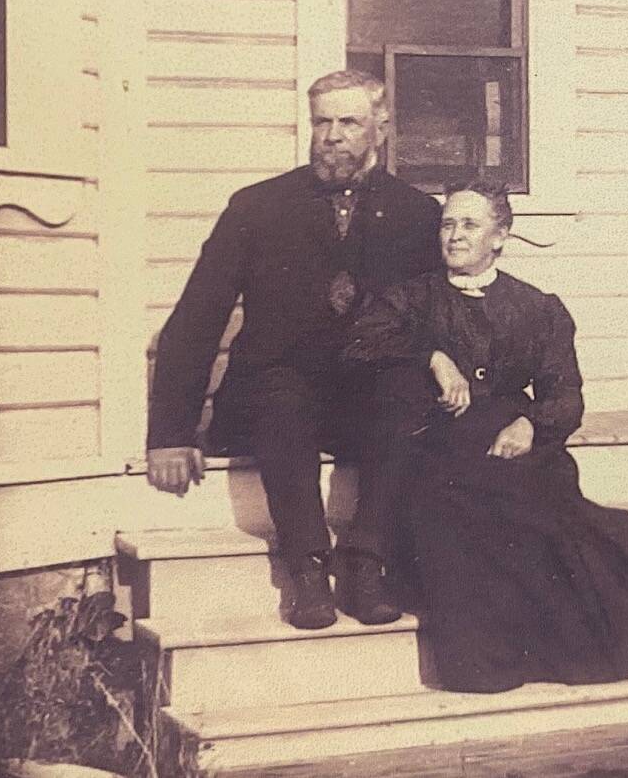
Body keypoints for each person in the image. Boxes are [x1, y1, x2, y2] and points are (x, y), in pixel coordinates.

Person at [342, 181, 628, 693]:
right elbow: (360, 342)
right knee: (467, 522)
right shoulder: (411, 298)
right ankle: (497, 658)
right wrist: (432, 357)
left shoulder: (536, 307)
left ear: (500, 236)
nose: (454, 236)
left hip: (516, 445)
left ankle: (586, 641)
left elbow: (565, 396)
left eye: (469, 225)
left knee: (573, 534)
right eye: (447, 224)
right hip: (438, 446)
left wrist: (531, 424)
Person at [145, 70, 442, 630]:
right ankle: (307, 569)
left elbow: (441, 320)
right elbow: (197, 317)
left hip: (362, 402)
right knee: (281, 396)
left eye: (348, 121)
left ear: (381, 126)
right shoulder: (258, 208)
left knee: (404, 389)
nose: (331, 136)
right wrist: (169, 433)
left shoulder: (418, 215)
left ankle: (366, 561)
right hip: (274, 398)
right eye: (322, 122)